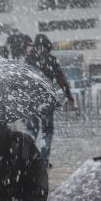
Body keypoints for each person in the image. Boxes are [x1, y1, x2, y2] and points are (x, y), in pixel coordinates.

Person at [24, 34, 75, 168]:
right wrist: (69, 96)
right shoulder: (51, 59)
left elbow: (23, 81)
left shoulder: (29, 58)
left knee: (31, 129)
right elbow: (61, 79)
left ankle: (25, 158)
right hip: (46, 99)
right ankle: (44, 161)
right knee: (47, 131)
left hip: (31, 99)